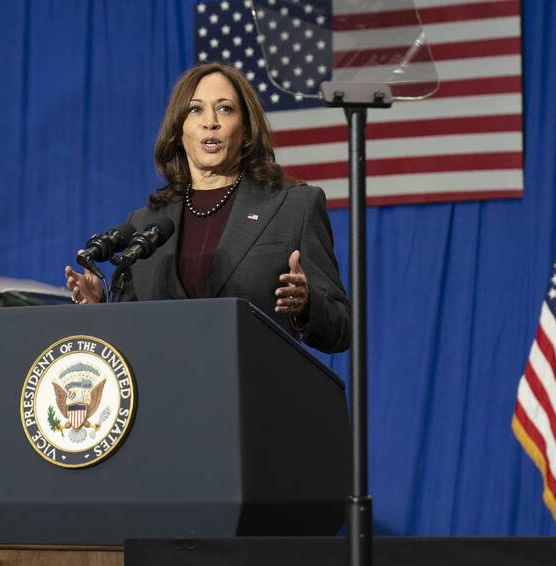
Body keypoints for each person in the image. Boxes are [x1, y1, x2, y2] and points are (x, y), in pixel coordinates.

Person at [64, 62, 349, 353]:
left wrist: (307, 306)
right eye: (195, 109)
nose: (210, 122)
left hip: (255, 378)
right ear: (179, 130)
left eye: (225, 108)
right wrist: (98, 308)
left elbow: (340, 330)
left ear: (246, 129)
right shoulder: (145, 224)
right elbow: (131, 334)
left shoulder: (294, 206)